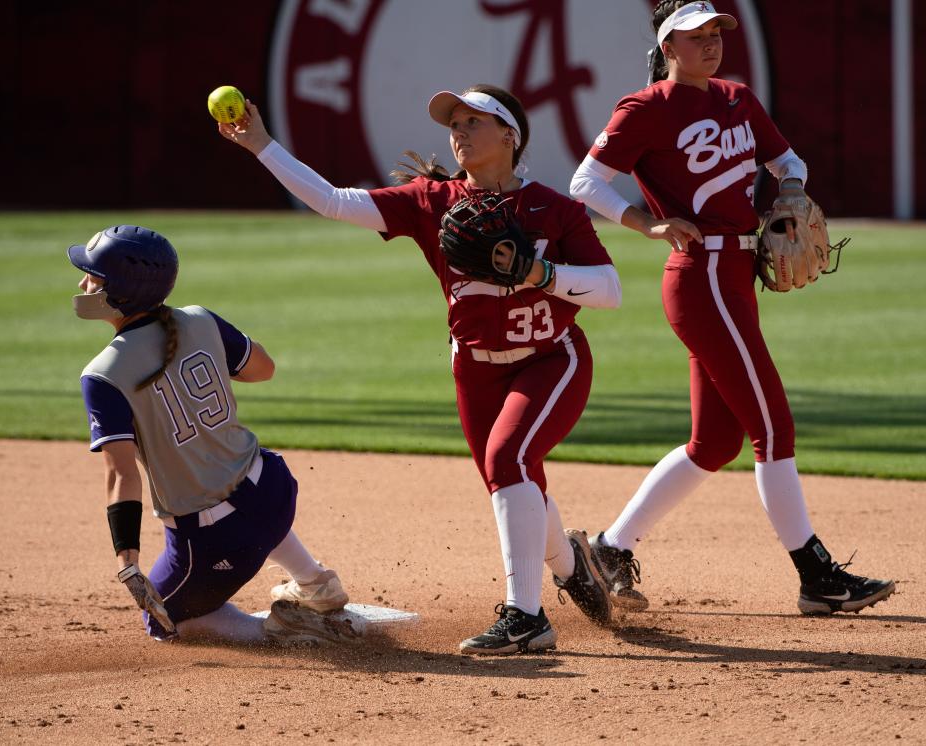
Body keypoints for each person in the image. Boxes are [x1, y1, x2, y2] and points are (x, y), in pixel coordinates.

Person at [217, 84, 622, 654]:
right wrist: (263, 145)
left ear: (510, 135)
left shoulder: (553, 209)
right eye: (452, 123)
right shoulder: (432, 200)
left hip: (551, 360)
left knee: (510, 462)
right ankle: (573, 565)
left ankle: (525, 617)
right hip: (475, 370)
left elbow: (610, 290)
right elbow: (334, 201)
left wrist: (539, 273)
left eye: (471, 121)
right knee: (512, 479)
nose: (457, 131)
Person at [570, 1, 895, 615]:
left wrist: (792, 190)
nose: (711, 43)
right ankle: (817, 576)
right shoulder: (646, 109)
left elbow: (787, 162)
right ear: (669, 48)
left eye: (716, 31)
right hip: (702, 277)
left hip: (737, 274)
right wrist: (648, 223)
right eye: (696, 35)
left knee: (715, 442)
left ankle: (610, 547)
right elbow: (586, 183)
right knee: (773, 427)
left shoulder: (737, 99)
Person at [70, 224, 357, 647]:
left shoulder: (103, 373)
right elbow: (263, 369)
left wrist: (127, 558)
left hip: (217, 538)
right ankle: (314, 582)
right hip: (274, 490)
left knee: (165, 623)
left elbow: (121, 477)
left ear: (118, 292)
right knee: (247, 489)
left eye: (92, 276)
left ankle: (277, 632)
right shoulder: (199, 319)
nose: (83, 283)